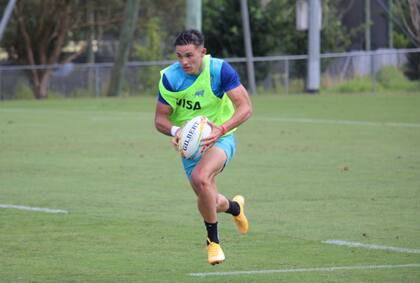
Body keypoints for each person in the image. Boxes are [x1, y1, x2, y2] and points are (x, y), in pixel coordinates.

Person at [154, 29, 252, 265]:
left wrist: (222, 128)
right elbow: (160, 120)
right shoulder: (170, 78)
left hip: (220, 138)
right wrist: (177, 131)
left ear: (202, 52)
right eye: (179, 56)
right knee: (210, 200)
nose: (184, 62)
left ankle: (213, 243)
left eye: (189, 55)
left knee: (201, 177)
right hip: (190, 146)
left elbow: (245, 107)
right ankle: (235, 208)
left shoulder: (219, 70)